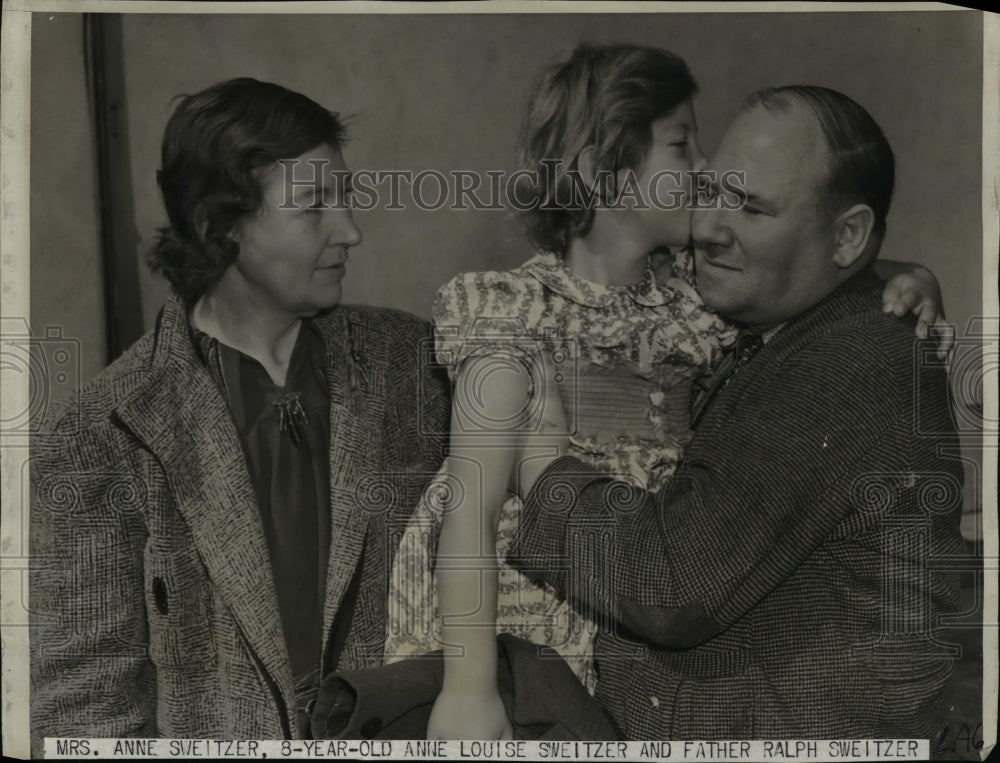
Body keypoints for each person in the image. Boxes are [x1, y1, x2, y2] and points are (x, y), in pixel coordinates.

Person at [383, 44, 951, 740]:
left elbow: (817, 266)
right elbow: (470, 509)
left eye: (740, 194)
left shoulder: (696, 304)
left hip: (622, 594)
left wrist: (911, 275)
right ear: (604, 174)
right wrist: (468, 689)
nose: (705, 171)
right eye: (685, 148)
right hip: (515, 611)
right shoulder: (513, 311)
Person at [29, 78, 450, 753]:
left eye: (344, 198)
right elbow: (85, 715)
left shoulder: (419, 368)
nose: (351, 230)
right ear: (218, 225)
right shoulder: (99, 435)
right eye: (314, 207)